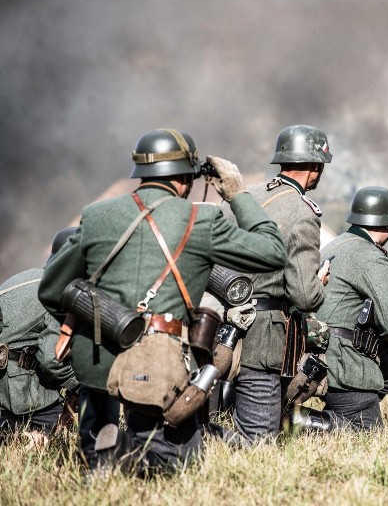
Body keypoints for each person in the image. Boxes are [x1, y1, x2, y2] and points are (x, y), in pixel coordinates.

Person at [38, 128, 287, 476]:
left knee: (94, 460)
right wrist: (237, 194)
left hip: (94, 354)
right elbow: (274, 253)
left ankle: (103, 460)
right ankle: (121, 452)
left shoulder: (96, 216)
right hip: (156, 358)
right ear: (186, 177)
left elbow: (51, 290)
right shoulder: (202, 220)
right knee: (177, 463)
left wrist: (101, 317)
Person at [223, 124, 332, 443]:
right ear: (315, 166)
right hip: (263, 334)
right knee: (260, 439)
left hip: (219, 322)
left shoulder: (247, 197)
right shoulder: (302, 213)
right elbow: (306, 296)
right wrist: (320, 281)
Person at [299, 186, 388, 432]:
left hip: (315, 352)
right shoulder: (371, 257)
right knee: (365, 432)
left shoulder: (334, 246)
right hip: (345, 363)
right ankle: (294, 422)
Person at [0, 227, 80, 447]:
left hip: (8, 379)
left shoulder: (29, 277)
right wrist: (79, 385)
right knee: (58, 436)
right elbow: (52, 360)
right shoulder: (57, 294)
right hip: (15, 391)